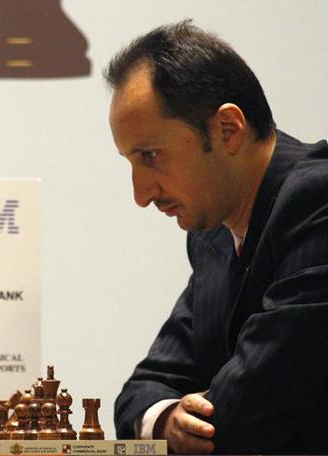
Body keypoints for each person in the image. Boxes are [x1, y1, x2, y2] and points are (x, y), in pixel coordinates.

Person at [107, 20, 328, 454]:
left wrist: (183, 420)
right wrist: (166, 418)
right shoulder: (213, 236)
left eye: (150, 156)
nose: (140, 194)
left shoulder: (318, 204)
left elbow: (245, 415)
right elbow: (144, 388)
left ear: (228, 129)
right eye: (130, 162)